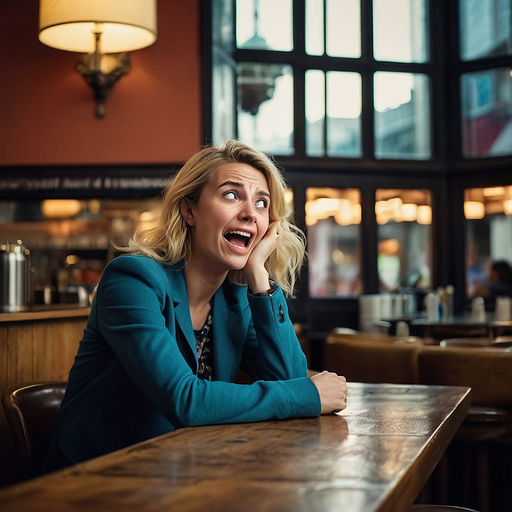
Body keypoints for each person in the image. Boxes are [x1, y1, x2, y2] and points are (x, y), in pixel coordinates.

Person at [40, 140, 348, 474]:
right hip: (92, 474)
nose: (249, 212)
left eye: (262, 204)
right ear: (190, 211)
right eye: (231, 195)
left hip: (175, 469)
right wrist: (307, 395)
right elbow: (184, 400)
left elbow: (289, 381)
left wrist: (259, 276)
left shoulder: (237, 299)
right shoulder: (132, 279)